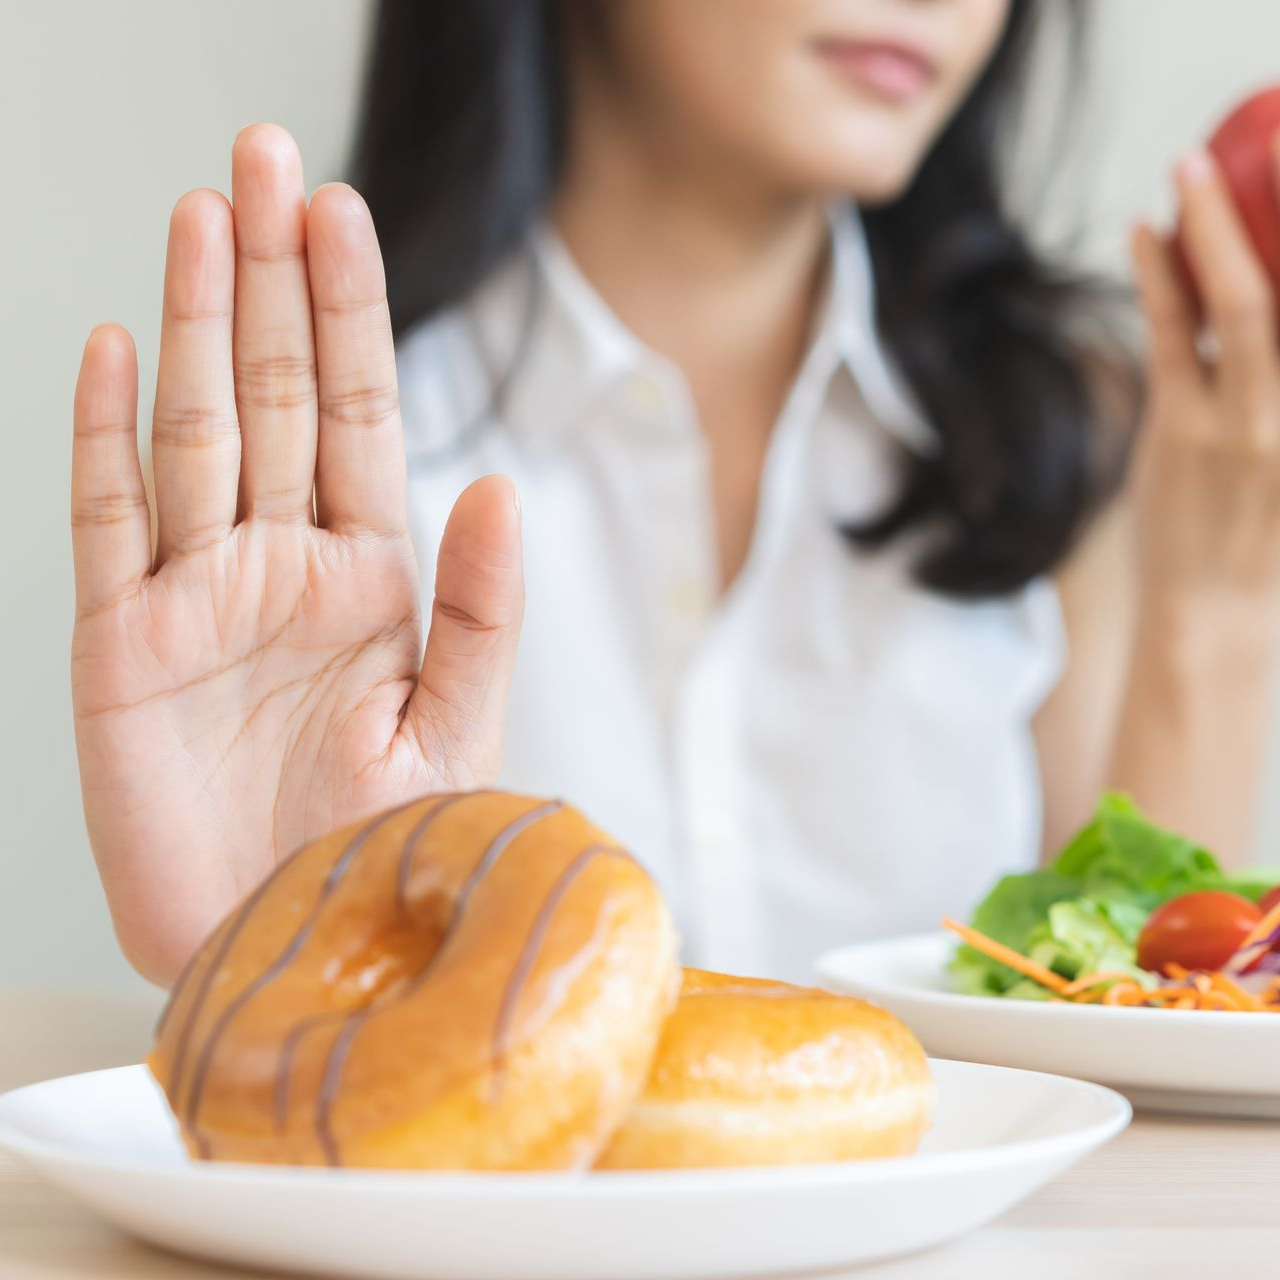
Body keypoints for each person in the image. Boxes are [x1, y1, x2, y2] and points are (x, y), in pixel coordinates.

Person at [70, 0, 1280, 986]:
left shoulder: (1067, 431)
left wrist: (1216, 616)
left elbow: (1126, 1040)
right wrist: (263, 962)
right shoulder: (311, 494)